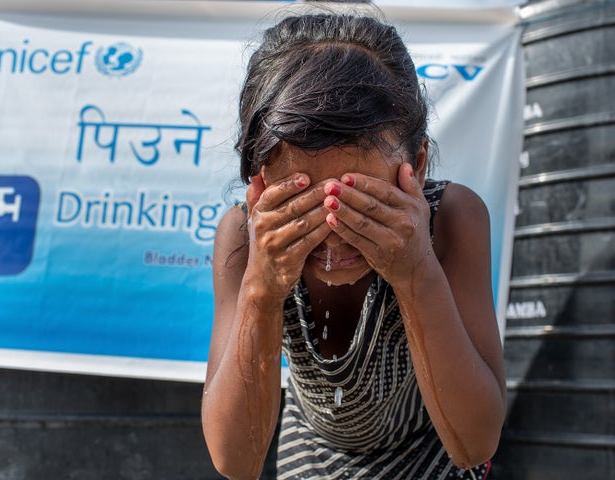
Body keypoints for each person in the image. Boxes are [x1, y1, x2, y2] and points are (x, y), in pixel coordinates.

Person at [201, 9, 506, 480]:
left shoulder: (451, 221)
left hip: (432, 457)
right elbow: (235, 461)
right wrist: (262, 289)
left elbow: (475, 443)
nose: (334, 229)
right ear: (260, 185)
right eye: (301, 204)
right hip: (312, 456)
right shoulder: (246, 239)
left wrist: (416, 271)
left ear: (417, 166)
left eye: (364, 203)